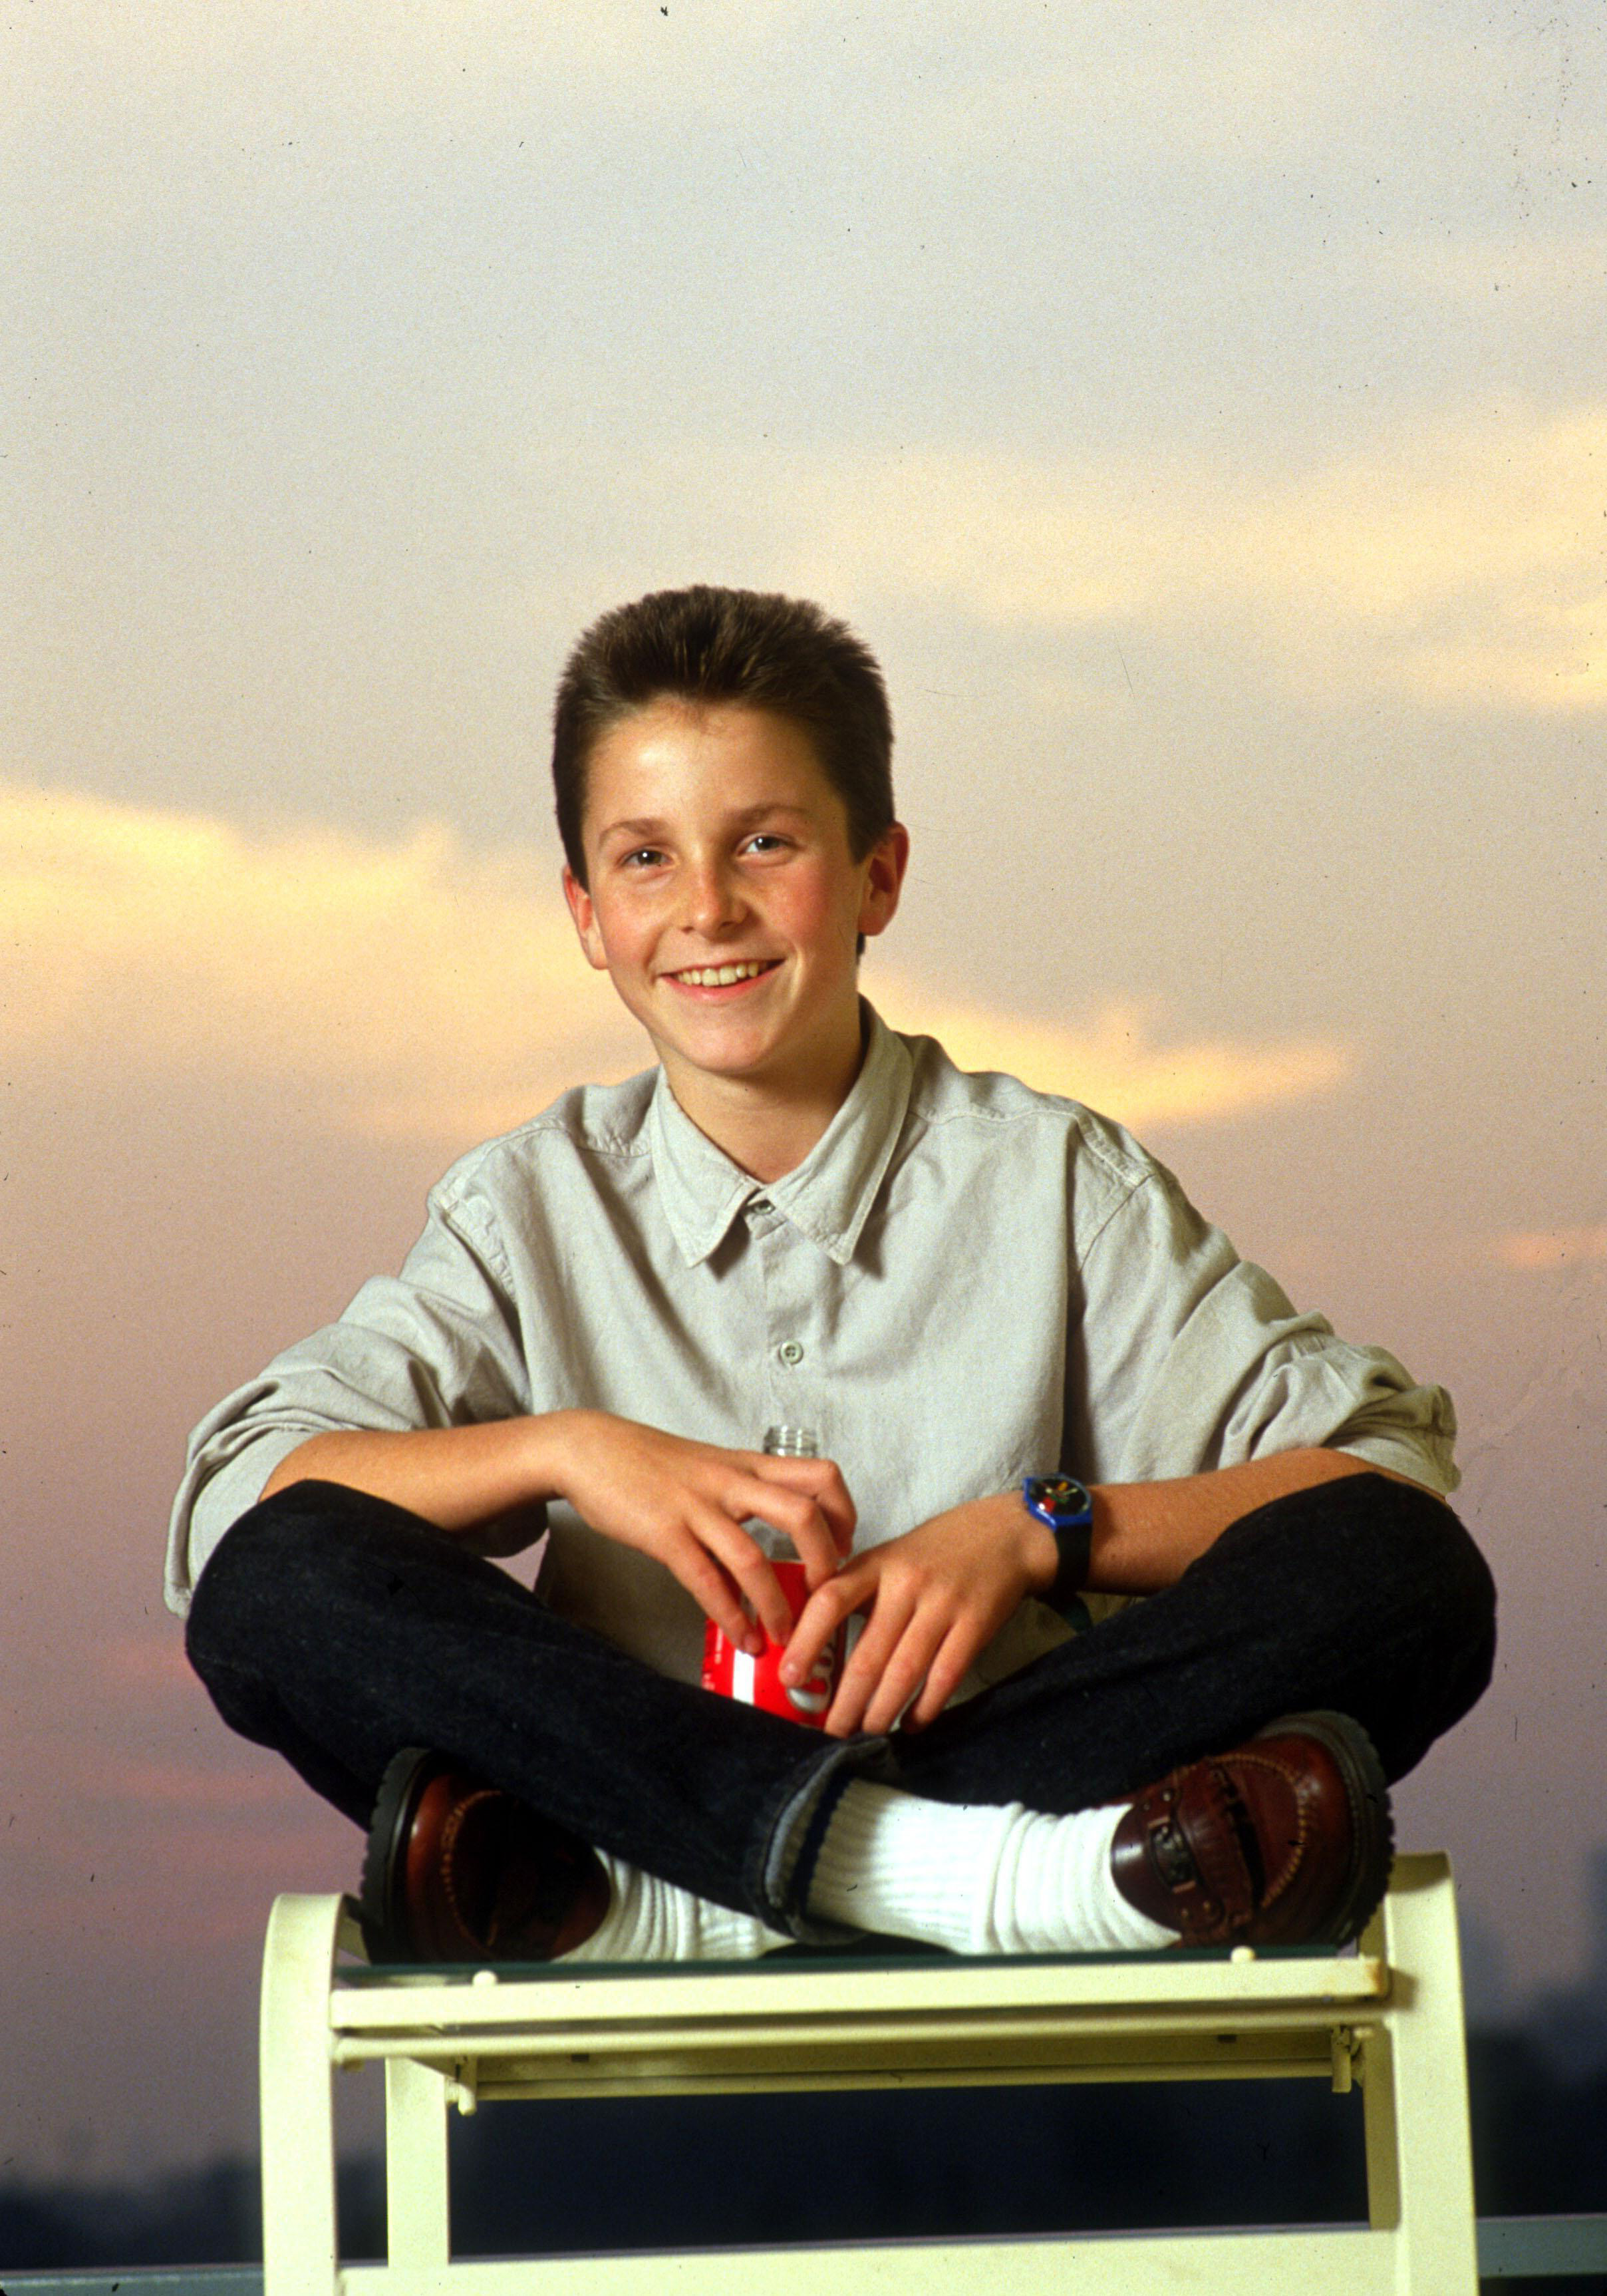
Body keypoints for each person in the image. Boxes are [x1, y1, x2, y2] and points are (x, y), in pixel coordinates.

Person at [170, 584, 1496, 1967]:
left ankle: (708, 1892)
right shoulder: (529, 1205)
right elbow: (234, 1500)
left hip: (806, 1823)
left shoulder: (1049, 1180)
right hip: (971, 1853)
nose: (706, 908)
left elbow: (1381, 1475)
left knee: (1407, 1574)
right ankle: (952, 1876)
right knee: (278, 1575)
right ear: (581, 910)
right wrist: (567, 1450)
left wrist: (1042, 1527)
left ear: (876, 873)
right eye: (643, 859)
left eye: (764, 842)